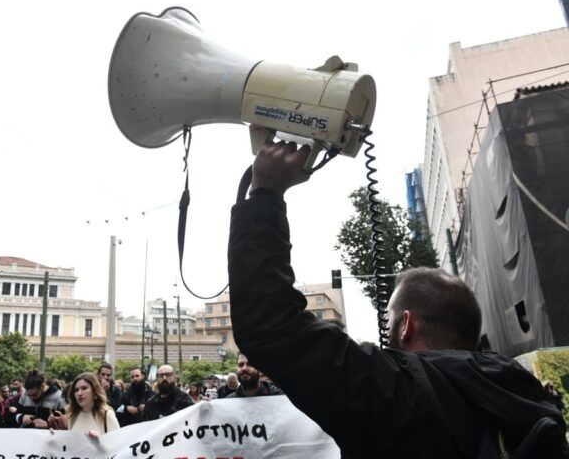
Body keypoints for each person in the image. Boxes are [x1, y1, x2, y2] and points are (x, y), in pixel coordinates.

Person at [228, 138, 568, 458]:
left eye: (389, 318)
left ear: (406, 324)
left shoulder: (396, 391)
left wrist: (265, 194)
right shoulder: (526, 392)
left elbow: (270, 323)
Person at [50, 372, 119, 437]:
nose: (79, 393)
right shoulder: (72, 415)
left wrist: (99, 440)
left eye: (84, 388)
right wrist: (57, 435)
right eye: (76, 390)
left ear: (95, 393)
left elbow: (119, 446)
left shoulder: (107, 415)